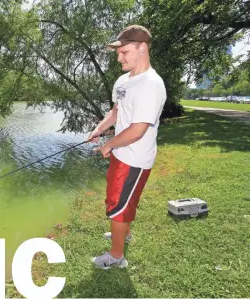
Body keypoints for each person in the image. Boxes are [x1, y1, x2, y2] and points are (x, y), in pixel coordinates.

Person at [88, 25, 167, 269]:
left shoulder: (151, 84)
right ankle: (123, 234)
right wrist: (99, 130)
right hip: (121, 155)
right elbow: (115, 113)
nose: (119, 58)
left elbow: (138, 130)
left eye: (124, 52)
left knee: (118, 206)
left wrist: (108, 144)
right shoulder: (124, 80)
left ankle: (116, 257)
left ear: (142, 48)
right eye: (118, 53)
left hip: (135, 158)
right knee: (121, 202)